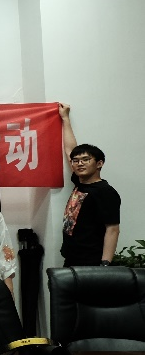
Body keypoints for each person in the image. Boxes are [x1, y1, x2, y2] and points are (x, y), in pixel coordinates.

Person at [59, 103, 120, 267]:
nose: (79, 163)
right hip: (71, 259)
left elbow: (113, 229)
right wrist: (65, 118)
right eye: (76, 161)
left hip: (92, 262)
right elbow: (70, 150)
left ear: (99, 164)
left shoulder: (105, 192)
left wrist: (105, 264)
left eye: (86, 160)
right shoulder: (80, 182)